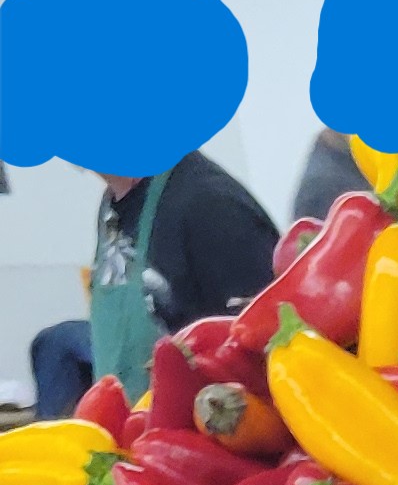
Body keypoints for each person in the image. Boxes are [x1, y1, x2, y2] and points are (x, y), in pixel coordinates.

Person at [30, 149, 277, 418]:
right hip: (132, 430)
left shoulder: (211, 205)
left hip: (199, 430)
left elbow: (266, 351)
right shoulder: (113, 205)